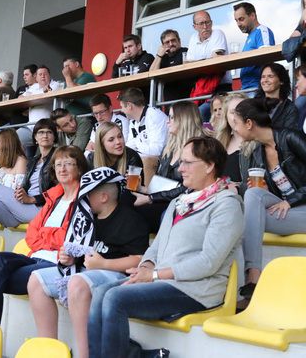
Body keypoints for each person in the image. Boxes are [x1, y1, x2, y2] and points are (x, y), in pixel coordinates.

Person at [87, 136, 243, 358]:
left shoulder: (226, 205)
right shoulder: (179, 202)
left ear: (209, 166)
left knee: (115, 298)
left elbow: (208, 263)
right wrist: (146, 267)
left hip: (196, 290)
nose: (180, 169)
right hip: (164, 281)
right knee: (100, 292)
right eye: (181, 162)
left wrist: (155, 275)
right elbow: (156, 246)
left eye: (187, 162)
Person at [233, 98, 306, 304]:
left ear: (249, 123)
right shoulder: (258, 152)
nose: (235, 130)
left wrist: (292, 200)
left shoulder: (291, 138)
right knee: (252, 195)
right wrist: (266, 190)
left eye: (236, 124)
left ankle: (252, 282)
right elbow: (278, 190)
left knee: (249, 221)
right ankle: (253, 275)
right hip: (290, 210)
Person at [27, 168, 149, 358]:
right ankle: (49, 351)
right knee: (36, 280)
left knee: (77, 283)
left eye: (87, 194)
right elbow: (79, 252)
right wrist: (69, 258)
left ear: (103, 197)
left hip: (118, 275)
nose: (82, 199)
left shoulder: (131, 220)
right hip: (88, 272)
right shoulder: (86, 217)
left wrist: (104, 264)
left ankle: (85, 354)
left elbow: (140, 260)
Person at [0, 146, 88, 325]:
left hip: (55, 264)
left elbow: (69, 237)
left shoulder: (84, 200)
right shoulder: (53, 198)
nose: (62, 169)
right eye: (58, 165)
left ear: (79, 168)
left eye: (68, 164)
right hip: (34, 258)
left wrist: (45, 236)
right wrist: (50, 237)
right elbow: (32, 234)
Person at [132, 101, 205, 233]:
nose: (167, 121)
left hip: (184, 202)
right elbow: (161, 182)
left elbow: (189, 188)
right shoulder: (169, 148)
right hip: (162, 200)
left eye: (171, 117)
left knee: (137, 215)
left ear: (183, 120)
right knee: (128, 206)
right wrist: (142, 189)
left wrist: (150, 198)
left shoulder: (199, 148)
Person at [187, 11, 230, 120]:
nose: (205, 26)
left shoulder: (218, 33)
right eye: (201, 23)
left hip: (220, 88)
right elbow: (188, 64)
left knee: (200, 114)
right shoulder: (193, 38)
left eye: (208, 22)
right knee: (190, 116)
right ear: (194, 26)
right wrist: (206, 60)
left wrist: (197, 64)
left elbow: (216, 59)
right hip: (201, 90)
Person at [234, 2, 275, 92]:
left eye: (241, 19)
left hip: (257, 88)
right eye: (236, 20)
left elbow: (267, 57)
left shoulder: (262, 31)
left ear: (252, 16)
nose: (238, 24)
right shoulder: (250, 36)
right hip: (246, 88)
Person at [19, 66, 62, 150]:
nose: (43, 76)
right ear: (36, 78)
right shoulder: (34, 87)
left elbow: (49, 95)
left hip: (46, 126)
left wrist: (32, 96)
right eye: (40, 74)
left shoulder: (55, 84)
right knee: (13, 140)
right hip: (30, 126)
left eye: (45, 74)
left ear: (49, 75)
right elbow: (20, 98)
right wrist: (42, 92)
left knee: (15, 140)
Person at [89, 122, 144, 187]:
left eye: (120, 136)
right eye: (111, 140)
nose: (118, 142)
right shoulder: (91, 158)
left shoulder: (133, 157)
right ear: (102, 145)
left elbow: (133, 188)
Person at [118, 88, 168, 158]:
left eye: (122, 107)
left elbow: (157, 151)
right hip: (146, 158)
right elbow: (130, 146)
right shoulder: (133, 121)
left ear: (129, 105)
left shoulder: (154, 116)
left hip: (163, 159)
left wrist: (137, 143)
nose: (121, 110)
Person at [254, 63, 299, 130]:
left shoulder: (289, 109)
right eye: (263, 77)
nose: (265, 80)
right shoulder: (254, 104)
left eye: (270, 76)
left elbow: (289, 134)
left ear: (281, 81)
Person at [215, 93, 249, 182]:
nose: (237, 117)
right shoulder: (219, 143)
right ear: (226, 116)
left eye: (242, 111)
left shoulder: (258, 144)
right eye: (233, 112)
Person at [149, 29, 189, 102]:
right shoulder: (162, 58)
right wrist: (159, 55)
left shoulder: (185, 52)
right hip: (169, 101)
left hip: (187, 98)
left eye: (173, 40)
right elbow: (151, 74)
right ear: (163, 45)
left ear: (179, 41)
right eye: (167, 42)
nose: (171, 44)